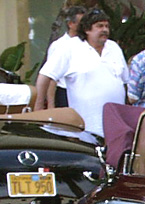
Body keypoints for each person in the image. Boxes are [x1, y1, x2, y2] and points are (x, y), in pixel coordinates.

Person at [35, 8, 128, 138]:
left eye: (107, 26)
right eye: (99, 26)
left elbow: (125, 81)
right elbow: (45, 75)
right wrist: (39, 106)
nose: (105, 29)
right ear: (87, 29)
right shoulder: (69, 47)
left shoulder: (114, 48)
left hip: (115, 127)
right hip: (85, 128)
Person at [43, 5, 86, 108]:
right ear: (71, 24)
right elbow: (51, 77)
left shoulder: (88, 43)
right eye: (82, 22)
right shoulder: (59, 45)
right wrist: (51, 105)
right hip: (65, 93)